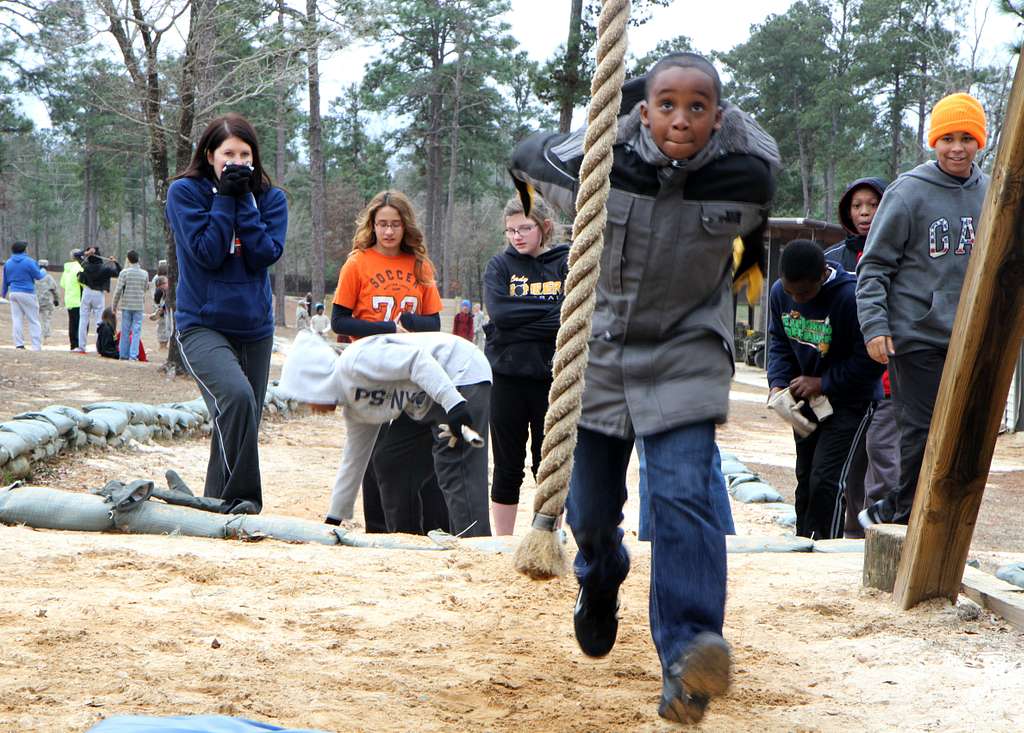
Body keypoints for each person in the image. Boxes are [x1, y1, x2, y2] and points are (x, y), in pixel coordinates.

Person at [510, 52, 779, 724]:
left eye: (697, 107)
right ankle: (600, 577)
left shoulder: (744, 173)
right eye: (665, 105)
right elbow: (527, 153)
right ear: (643, 110)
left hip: (687, 346)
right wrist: (615, 111)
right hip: (600, 349)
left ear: (720, 114)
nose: (680, 120)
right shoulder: (606, 158)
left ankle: (689, 652)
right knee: (591, 510)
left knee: (686, 489)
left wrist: (724, 133)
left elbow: (762, 179)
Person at [857, 92, 990, 528]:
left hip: (970, 336)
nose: (957, 147)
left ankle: (943, 518)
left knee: (966, 430)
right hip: (915, 335)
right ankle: (905, 515)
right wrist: (875, 325)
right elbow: (873, 267)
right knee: (922, 428)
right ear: (933, 141)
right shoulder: (908, 193)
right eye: (947, 138)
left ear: (980, 142)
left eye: (966, 138)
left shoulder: (993, 192)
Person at [166, 112, 287, 514]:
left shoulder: (271, 198)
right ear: (209, 154)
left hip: (255, 327)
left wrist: (245, 202)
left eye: (245, 154)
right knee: (236, 399)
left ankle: (217, 505)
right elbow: (207, 252)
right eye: (228, 153)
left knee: (238, 423)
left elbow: (264, 255)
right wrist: (222, 199)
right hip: (201, 324)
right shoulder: (185, 193)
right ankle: (246, 500)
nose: (237, 162)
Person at [279, 330, 492, 538]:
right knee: (393, 461)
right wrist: (334, 519)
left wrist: (453, 403)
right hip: (423, 398)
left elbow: (416, 360)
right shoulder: (354, 404)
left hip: (459, 373)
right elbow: (354, 459)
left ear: (312, 381)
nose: (309, 406)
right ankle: (408, 541)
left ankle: (475, 549)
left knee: (455, 465)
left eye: (304, 397)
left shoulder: (356, 362)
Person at [330, 189, 448, 535]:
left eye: (395, 224)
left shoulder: (420, 265)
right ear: (372, 226)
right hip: (371, 366)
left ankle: (424, 522)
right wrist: (384, 328)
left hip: (412, 368)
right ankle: (378, 527)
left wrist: (408, 324)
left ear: (405, 226)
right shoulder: (357, 263)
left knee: (414, 444)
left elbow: (434, 323)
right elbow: (339, 321)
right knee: (373, 445)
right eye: (382, 224)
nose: (388, 231)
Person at [766, 240, 884, 540]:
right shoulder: (781, 293)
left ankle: (825, 549)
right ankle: (803, 543)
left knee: (826, 479)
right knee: (805, 477)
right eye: (791, 292)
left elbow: (871, 361)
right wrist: (778, 383)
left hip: (850, 401)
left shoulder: (850, 298)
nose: (797, 300)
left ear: (822, 275)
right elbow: (779, 341)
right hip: (807, 401)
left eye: (803, 293)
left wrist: (823, 383)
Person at [483, 194, 569, 535]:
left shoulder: (565, 262)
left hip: (552, 377)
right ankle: (503, 541)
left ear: (544, 228)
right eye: (511, 230)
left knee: (548, 463)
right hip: (507, 377)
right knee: (507, 465)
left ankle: (546, 536)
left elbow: (570, 315)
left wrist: (513, 327)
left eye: (525, 228)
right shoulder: (500, 266)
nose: (517, 236)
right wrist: (545, 314)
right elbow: (499, 314)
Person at [823, 177, 900, 538]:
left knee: (883, 456)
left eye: (872, 204)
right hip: (848, 381)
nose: (865, 213)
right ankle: (852, 536)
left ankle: (883, 536)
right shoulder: (834, 261)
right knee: (851, 464)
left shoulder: (902, 254)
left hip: (888, 377)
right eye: (857, 206)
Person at [75, 247, 121, 353]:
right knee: (99, 321)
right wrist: (115, 262)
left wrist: (86, 253)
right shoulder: (105, 269)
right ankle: (99, 346)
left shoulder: (86, 266)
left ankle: (81, 346)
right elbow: (118, 272)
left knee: (83, 319)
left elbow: (77, 255)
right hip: (98, 294)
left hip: (86, 293)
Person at [2, 241, 45, 350]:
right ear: (24, 250)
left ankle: (19, 344)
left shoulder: (8, 263)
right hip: (27, 292)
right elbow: (38, 276)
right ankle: (36, 346)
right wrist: (43, 270)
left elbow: (5, 281)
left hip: (14, 293)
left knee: (17, 319)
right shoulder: (29, 261)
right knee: (33, 320)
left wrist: (3, 294)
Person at [112, 250, 151, 362]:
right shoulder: (144, 273)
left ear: (128, 260)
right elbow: (146, 288)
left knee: (125, 330)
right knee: (136, 331)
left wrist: (114, 306)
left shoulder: (124, 273)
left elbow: (118, 290)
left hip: (127, 304)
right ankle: (133, 355)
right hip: (138, 305)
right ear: (138, 259)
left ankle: (123, 354)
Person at [60, 250, 84, 351]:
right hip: (78, 299)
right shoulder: (80, 268)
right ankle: (79, 344)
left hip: (69, 299)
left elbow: (63, 283)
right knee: (79, 323)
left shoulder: (67, 269)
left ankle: (73, 345)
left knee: (72, 323)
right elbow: (83, 283)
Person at [33, 259, 60, 342]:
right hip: (46, 302)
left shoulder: (34, 277)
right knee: (46, 319)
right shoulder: (49, 278)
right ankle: (45, 337)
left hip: (35, 301)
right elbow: (54, 290)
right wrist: (56, 300)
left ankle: (36, 335)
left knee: (35, 319)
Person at [150, 275, 172, 350]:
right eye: (160, 288)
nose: (162, 289)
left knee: (168, 328)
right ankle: (163, 346)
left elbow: (169, 302)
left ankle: (165, 346)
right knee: (164, 327)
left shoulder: (171, 290)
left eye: (162, 286)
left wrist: (162, 309)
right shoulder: (163, 292)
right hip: (165, 313)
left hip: (170, 313)